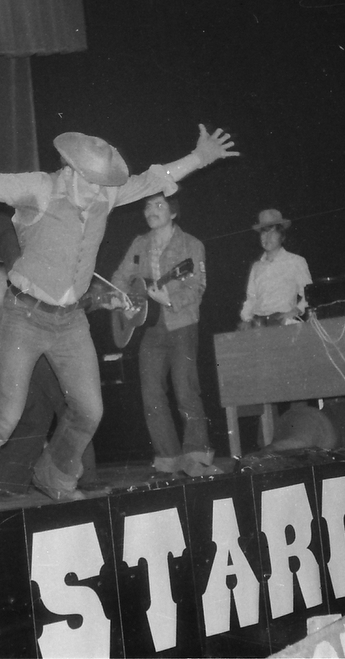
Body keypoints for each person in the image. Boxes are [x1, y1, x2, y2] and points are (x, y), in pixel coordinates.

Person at [0, 100, 238, 515]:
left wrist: (200, 157)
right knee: (4, 414)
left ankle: (54, 476)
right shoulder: (40, 189)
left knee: (89, 411)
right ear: (71, 170)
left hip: (70, 323)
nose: (100, 195)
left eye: (104, 186)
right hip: (24, 316)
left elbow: (155, 178)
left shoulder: (104, 193)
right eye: (93, 184)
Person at [0, 224, 99, 496]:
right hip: (30, 329)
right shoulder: (14, 236)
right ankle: (80, 477)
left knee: (42, 408)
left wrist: (92, 299)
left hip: (43, 333)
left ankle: (7, 478)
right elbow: (28, 282)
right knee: (67, 404)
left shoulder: (45, 240)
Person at [111, 193, 219, 478]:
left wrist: (169, 299)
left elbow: (197, 287)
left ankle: (197, 457)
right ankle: (167, 460)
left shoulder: (191, 245)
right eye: (148, 205)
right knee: (151, 395)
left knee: (186, 390)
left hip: (182, 323)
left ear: (173, 212)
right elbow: (121, 277)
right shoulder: (139, 244)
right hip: (149, 328)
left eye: (159, 205)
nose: (151, 210)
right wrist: (122, 298)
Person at [239, 208, 312, 329]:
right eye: (264, 233)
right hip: (258, 323)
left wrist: (295, 311)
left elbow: (309, 295)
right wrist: (246, 319)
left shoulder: (296, 261)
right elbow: (251, 298)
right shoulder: (257, 267)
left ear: (282, 236)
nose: (267, 237)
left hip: (283, 322)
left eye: (272, 233)